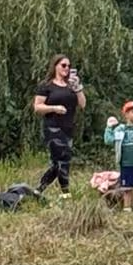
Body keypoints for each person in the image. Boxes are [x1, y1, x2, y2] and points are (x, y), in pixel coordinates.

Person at [33, 54, 85, 196]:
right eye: (63, 65)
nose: (66, 68)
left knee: (58, 162)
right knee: (64, 158)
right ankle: (65, 192)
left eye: (69, 66)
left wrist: (78, 88)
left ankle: (38, 190)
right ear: (55, 66)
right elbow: (37, 107)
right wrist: (54, 108)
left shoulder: (71, 85)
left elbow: (83, 104)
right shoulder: (46, 86)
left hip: (68, 127)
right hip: (53, 126)